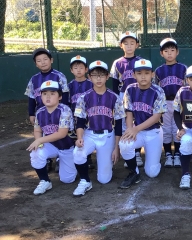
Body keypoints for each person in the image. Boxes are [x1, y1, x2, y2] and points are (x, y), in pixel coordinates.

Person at [72, 61, 125, 196]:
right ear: (89, 77)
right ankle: (85, 180)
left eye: (102, 75)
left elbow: (119, 123)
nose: (98, 78)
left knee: (104, 179)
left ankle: (105, 165)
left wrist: (116, 148)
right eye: (95, 75)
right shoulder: (84, 97)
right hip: (90, 134)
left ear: (107, 76)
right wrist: (79, 138)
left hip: (108, 135)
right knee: (78, 152)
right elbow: (80, 121)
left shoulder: (114, 97)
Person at [119, 59, 167, 189]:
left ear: (152, 74)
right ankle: (134, 172)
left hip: (154, 132)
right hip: (138, 131)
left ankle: (155, 158)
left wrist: (136, 129)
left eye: (147, 73)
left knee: (152, 173)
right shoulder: (130, 89)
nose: (143, 76)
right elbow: (129, 111)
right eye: (139, 73)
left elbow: (156, 117)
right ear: (134, 75)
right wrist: (130, 129)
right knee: (124, 143)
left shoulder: (158, 91)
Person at [27, 80, 76, 195]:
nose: (48, 97)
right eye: (44, 94)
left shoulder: (65, 110)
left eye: (52, 93)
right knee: (36, 152)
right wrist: (39, 142)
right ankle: (45, 181)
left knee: (67, 180)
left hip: (67, 146)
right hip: (52, 145)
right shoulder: (40, 111)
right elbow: (37, 130)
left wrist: (40, 140)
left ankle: (70, 161)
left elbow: (62, 134)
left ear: (60, 96)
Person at [110, 31, 144, 166]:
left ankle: (137, 153)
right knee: (126, 124)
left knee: (138, 122)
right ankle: (129, 154)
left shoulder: (140, 61)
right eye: (126, 43)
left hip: (139, 94)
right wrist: (115, 100)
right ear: (121, 45)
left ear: (137, 45)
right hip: (123, 95)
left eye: (132, 43)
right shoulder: (117, 63)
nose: (129, 46)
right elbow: (114, 83)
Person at [154, 38, 187, 168]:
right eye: (166, 51)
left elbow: (187, 87)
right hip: (165, 102)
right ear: (161, 53)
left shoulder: (183, 68)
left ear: (177, 52)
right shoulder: (158, 70)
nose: (169, 53)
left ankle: (177, 154)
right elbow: (156, 88)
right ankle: (168, 154)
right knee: (166, 129)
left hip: (179, 102)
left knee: (178, 128)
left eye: (172, 50)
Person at [25, 47, 69, 125]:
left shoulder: (59, 76)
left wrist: (64, 111)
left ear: (51, 60)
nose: (43, 62)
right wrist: (31, 114)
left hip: (57, 111)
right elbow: (31, 97)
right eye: (39, 61)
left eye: (45, 59)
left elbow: (65, 94)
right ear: (36, 64)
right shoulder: (34, 79)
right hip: (41, 112)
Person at [68, 55, 94, 169]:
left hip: (89, 115)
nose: (78, 70)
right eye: (75, 67)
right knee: (75, 136)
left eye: (81, 67)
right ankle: (76, 158)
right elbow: (67, 102)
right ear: (71, 70)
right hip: (74, 115)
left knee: (87, 135)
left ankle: (88, 157)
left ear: (86, 69)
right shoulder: (69, 86)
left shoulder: (91, 84)